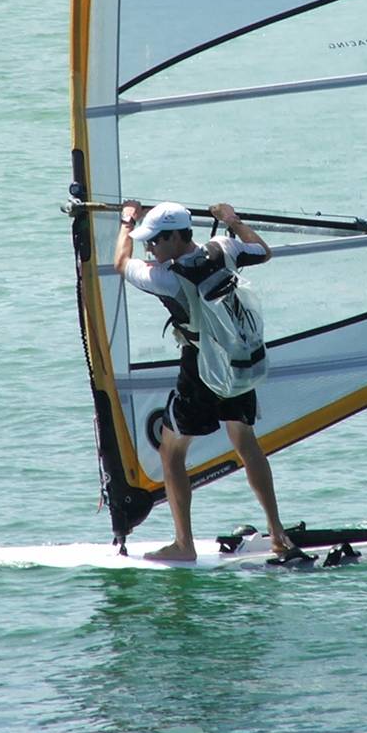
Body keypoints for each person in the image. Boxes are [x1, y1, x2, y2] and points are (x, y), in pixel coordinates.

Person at [114, 199, 295, 562]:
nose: (149, 246)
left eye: (154, 240)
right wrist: (231, 220)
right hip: (237, 360)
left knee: (171, 451)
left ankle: (184, 545)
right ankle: (278, 533)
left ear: (175, 238)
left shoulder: (165, 278)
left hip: (200, 369)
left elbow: (121, 263)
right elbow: (262, 251)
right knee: (245, 442)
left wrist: (125, 222)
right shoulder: (224, 248)